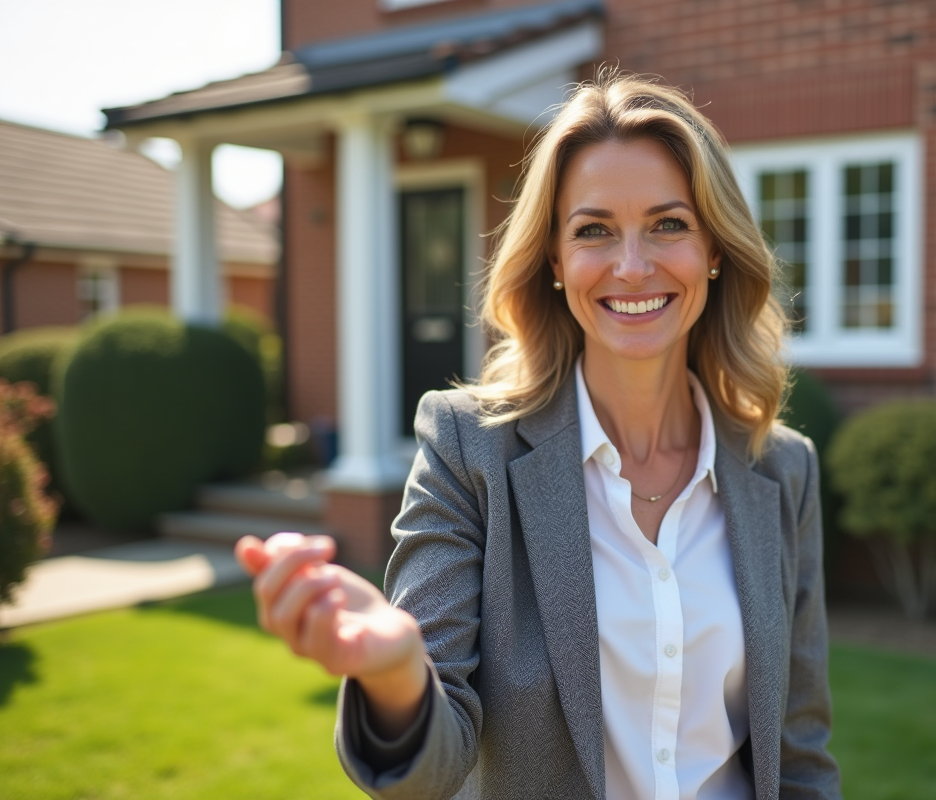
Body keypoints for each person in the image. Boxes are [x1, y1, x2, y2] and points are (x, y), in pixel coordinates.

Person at [236, 73, 841, 800]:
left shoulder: (783, 469)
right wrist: (395, 671)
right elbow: (432, 766)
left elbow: (799, 753)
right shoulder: (468, 449)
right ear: (555, 260)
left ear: (714, 247)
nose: (632, 266)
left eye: (668, 224)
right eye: (593, 230)